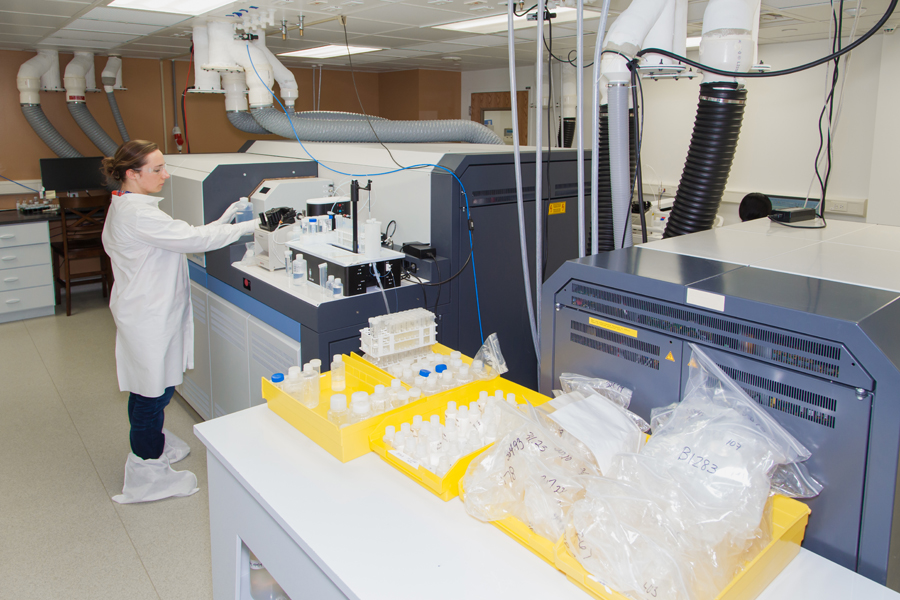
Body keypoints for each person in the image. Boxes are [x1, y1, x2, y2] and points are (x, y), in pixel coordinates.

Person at [101, 140, 256, 504]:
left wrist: (225, 219)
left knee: (149, 387)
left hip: (145, 310)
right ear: (131, 174)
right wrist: (249, 227)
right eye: (157, 169)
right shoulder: (140, 215)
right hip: (149, 316)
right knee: (151, 395)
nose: (165, 175)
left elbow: (182, 235)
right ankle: (147, 471)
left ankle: (153, 445)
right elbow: (190, 238)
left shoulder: (126, 204)